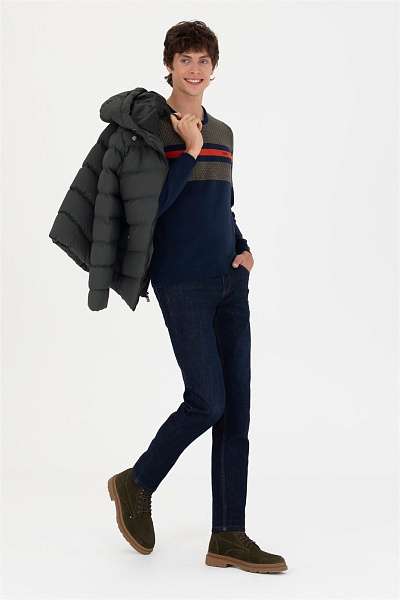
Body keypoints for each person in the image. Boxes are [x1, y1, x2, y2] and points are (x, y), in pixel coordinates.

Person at [49, 19, 287, 574]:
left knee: (236, 412)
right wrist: (190, 149)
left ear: (213, 68)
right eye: (185, 60)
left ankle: (228, 535)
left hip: (230, 283)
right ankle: (137, 482)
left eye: (203, 60)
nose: (194, 70)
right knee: (207, 400)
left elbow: (220, 204)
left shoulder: (224, 132)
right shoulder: (151, 130)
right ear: (169, 65)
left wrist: (243, 249)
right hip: (182, 283)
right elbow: (148, 212)